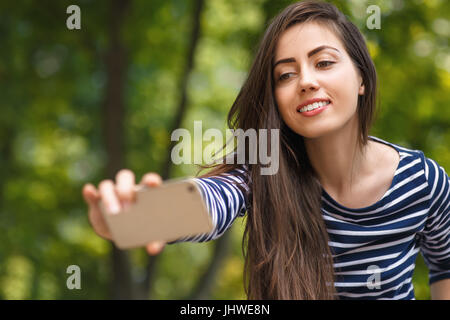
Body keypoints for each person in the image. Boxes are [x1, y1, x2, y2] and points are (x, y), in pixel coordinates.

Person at [82, 0, 450, 300]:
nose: (306, 81)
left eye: (323, 62)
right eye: (285, 75)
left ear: (362, 80)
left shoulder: (422, 181)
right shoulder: (264, 174)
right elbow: (211, 202)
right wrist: (135, 215)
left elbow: (445, 264)